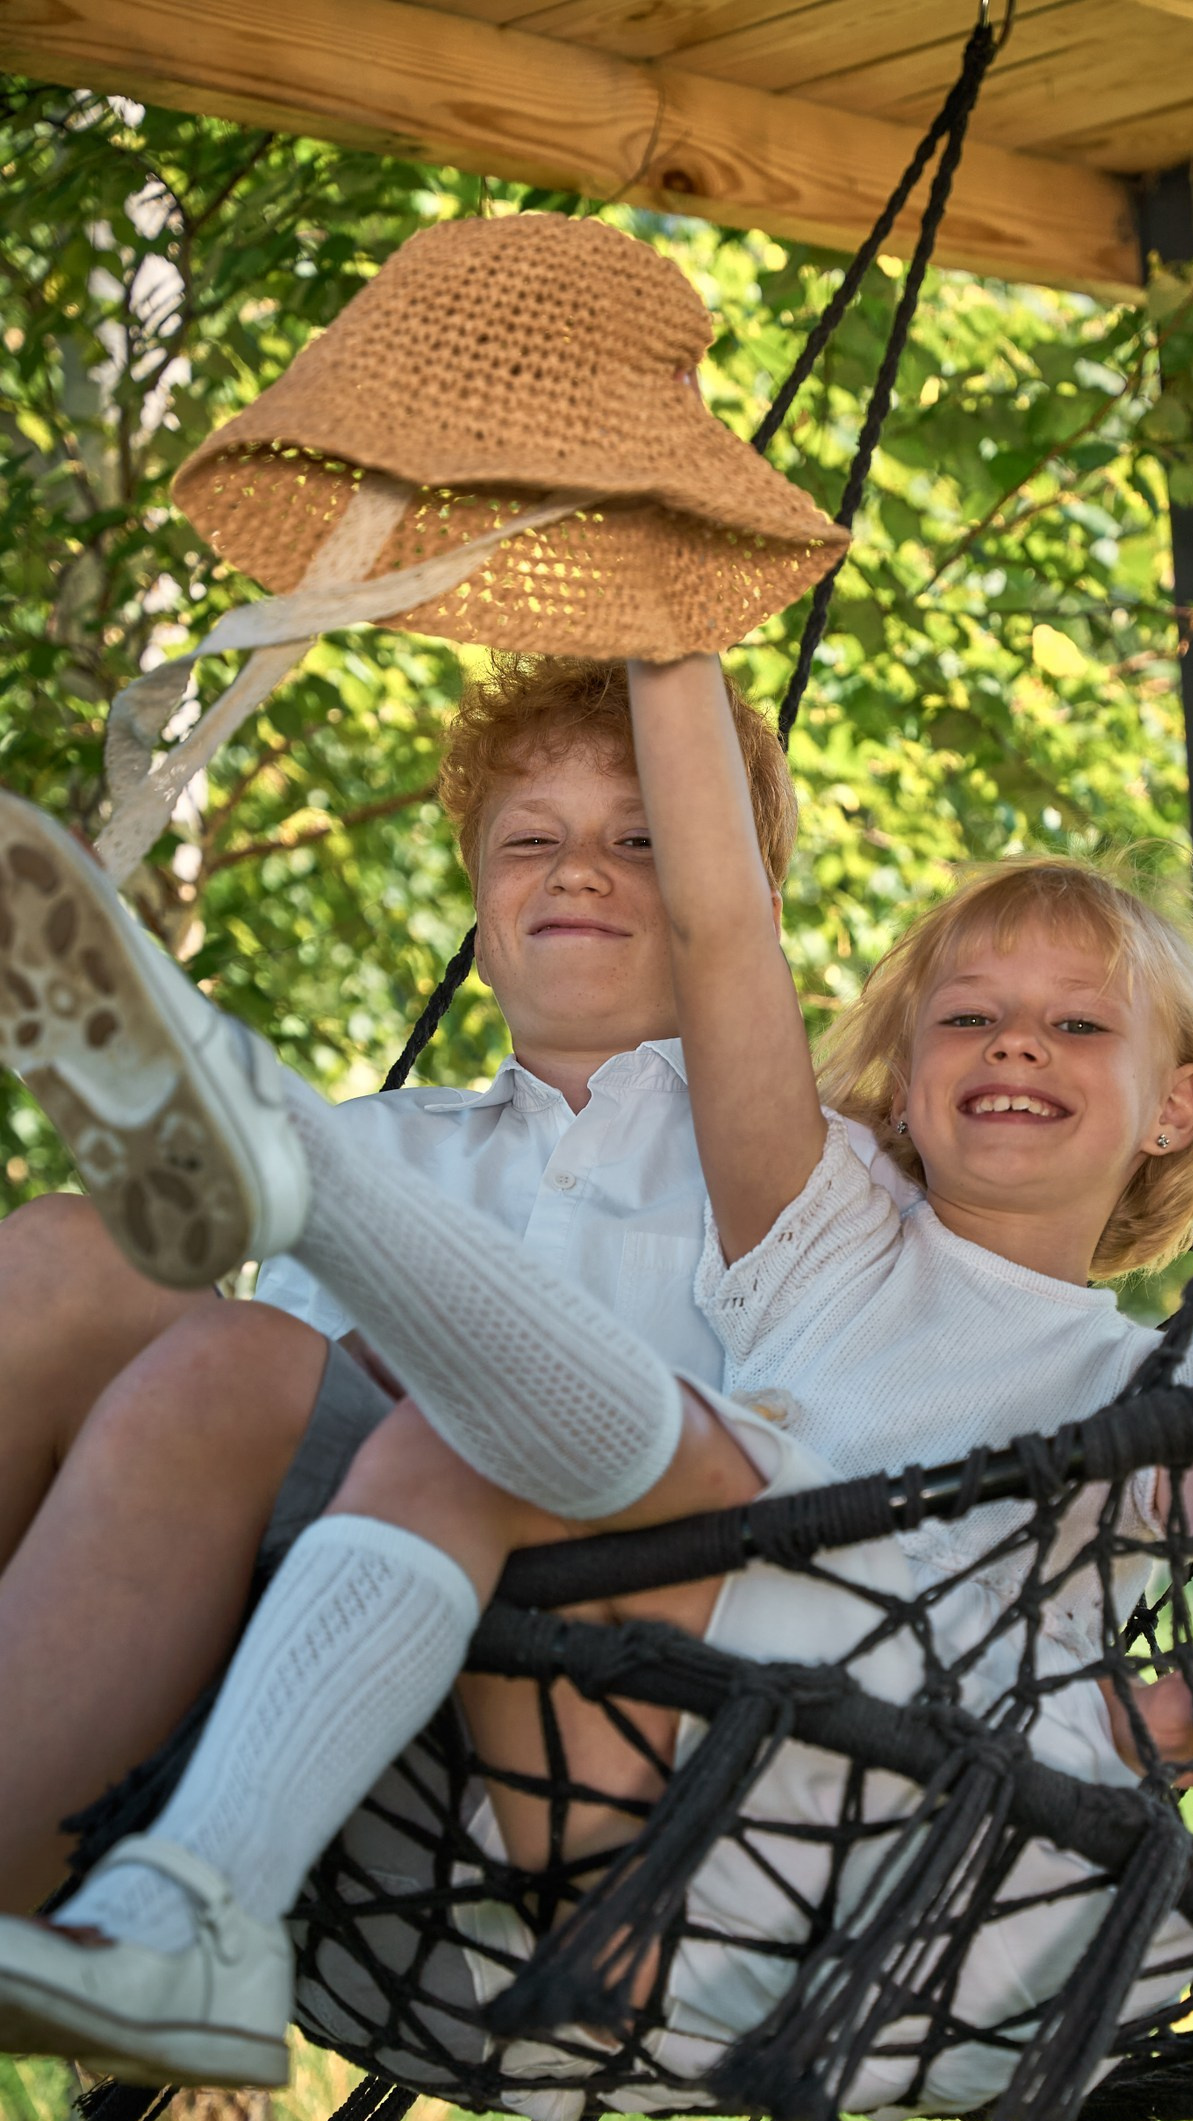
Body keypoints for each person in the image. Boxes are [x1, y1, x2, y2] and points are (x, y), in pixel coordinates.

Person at [0, 657, 1193, 2121]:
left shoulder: (1134, 1375)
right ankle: (186, 1907)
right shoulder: (828, 1235)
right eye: (967, 1023)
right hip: (631, 1709)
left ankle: (305, 1184)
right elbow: (732, 941)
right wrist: (670, 627)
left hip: (808, 1769)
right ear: (900, 1088)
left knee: (588, 1452)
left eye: (1075, 1027)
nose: (1014, 1045)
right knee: (454, 1434)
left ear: (1174, 1109)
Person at [0, 657, 801, 1913]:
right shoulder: (389, 1138)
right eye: (529, 841)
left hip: (576, 1679)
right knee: (68, 1251)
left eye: (640, 839)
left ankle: (236, 1106)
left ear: (728, 894)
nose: (577, 867)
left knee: (268, 1347)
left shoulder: (805, 1179)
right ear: (482, 921)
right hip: (276, 1605)